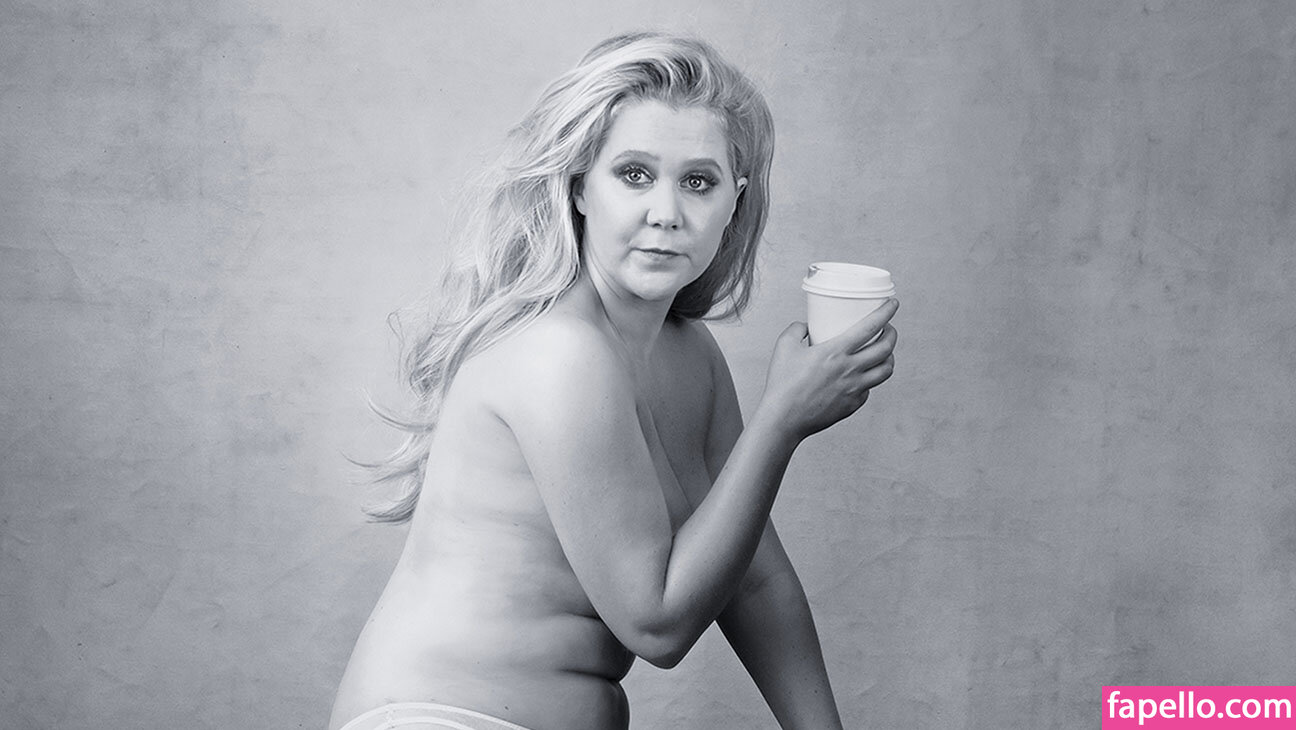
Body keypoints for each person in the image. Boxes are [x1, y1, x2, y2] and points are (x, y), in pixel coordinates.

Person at [329, 31, 898, 730]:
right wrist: (782, 419)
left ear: (735, 201)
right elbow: (656, 624)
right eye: (633, 174)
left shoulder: (690, 356)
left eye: (698, 181)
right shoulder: (560, 353)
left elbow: (755, 583)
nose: (666, 213)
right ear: (579, 187)